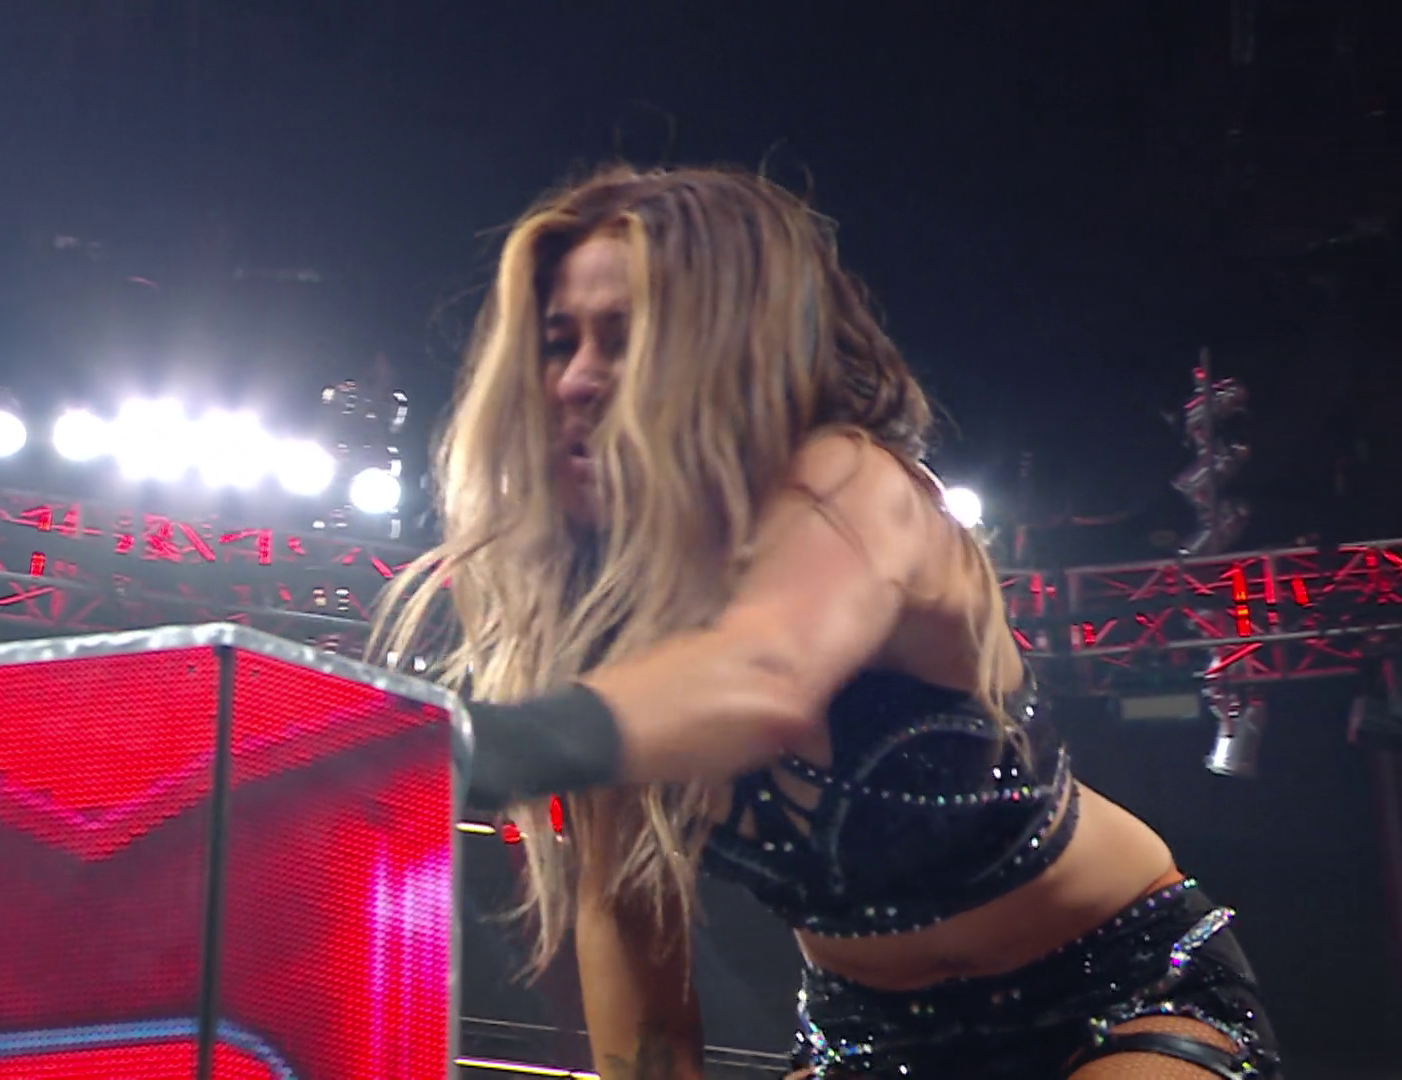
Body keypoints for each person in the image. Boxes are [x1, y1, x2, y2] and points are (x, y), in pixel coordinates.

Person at [373, 165, 1279, 1079]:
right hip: (868, 1039)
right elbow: (625, 912)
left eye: (623, 339)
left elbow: (761, 674)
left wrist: (446, 748)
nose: (575, 379)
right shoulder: (601, 628)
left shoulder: (857, 486)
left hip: (1120, 990)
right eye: (558, 343)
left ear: (726, 350)